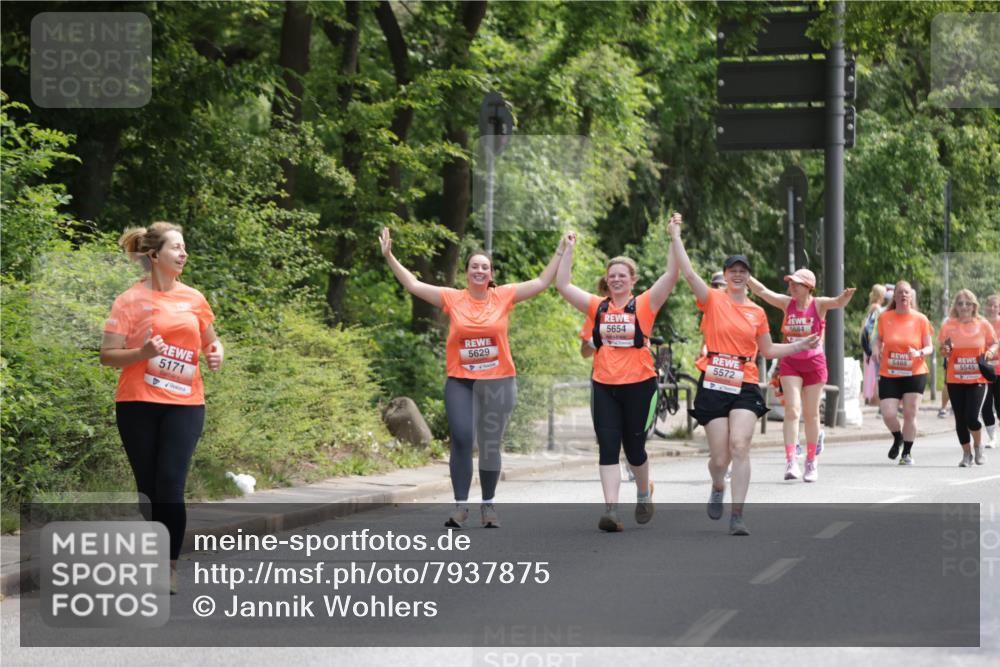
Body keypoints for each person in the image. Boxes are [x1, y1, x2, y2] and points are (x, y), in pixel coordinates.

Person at [379, 228, 567, 529]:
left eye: (485, 267)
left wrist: (560, 250)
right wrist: (390, 256)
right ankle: (461, 506)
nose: (479, 270)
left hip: (499, 382)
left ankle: (488, 505)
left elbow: (543, 282)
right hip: (461, 382)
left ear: (491, 273)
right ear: (466, 273)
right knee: (463, 439)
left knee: (490, 444)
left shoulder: (504, 296)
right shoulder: (453, 298)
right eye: (474, 266)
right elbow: (413, 284)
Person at [668, 218, 819, 536]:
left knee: (740, 445)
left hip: (745, 381)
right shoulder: (712, 299)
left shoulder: (757, 312)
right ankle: (717, 483)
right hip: (713, 379)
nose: (738, 274)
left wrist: (800, 344)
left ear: (748, 277)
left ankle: (737, 515)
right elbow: (689, 272)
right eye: (732, 270)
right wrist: (676, 235)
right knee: (720, 458)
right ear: (725, 276)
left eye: (743, 271)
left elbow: (767, 350)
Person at [100, 222, 224, 595]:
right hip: (137, 402)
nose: (183, 253)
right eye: (176, 248)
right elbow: (108, 356)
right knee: (149, 488)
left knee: (170, 484)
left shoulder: (195, 299)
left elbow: (211, 342)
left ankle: (167, 568)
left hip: (185, 404)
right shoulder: (128, 301)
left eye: (185, 247)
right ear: (154, 255)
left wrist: (216, 354)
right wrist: (142, 353)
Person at [555, 216, 679, 532]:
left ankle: (642, 492)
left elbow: (671, 274)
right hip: (604, 386)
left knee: (634, 449)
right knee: (608, 447)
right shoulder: (597, 306)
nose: (617, 280)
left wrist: (672, 236)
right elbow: (563, 285)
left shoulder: (646, 304)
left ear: (633, 279)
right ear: (607, 281)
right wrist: (566, 250)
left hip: (640, 385)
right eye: (612, 276)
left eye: (622, 275)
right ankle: (611, 509)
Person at [748, 270, 855, 483]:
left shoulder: (819, 304)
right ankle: (790, 461)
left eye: (796, 284)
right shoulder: (787, 304)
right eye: (790, 284)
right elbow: (762, 291)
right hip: (790, 362)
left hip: (814, 364)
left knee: (811, 414)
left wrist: (845, 297)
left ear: (808, 287)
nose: (792, 288)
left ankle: (811, 460)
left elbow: (837, 302)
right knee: (792, 410)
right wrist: (744, 273)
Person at [871, 280, 933, 465]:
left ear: (911, 297)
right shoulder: (885, 317)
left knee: (909, 413)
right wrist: (875, 350)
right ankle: (898, 437)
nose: (904, 295)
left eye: (907, 293)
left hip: (915, 372)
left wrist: (919, 352)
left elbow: (930, 347)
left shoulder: (921, 319)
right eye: (900, 293)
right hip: (890, 372)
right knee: (888, 413)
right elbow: (878, 340)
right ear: (895, 296)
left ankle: (906, 452)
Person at [940, 290, 999, 466]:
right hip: (955, 379)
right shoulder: (948, 325)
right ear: (955, 306)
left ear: (974, 306)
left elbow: (995, 342)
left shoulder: (982, 324)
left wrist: (990, 352)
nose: (964, 306)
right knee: (960, 419)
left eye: (968, 303)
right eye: (960, 303)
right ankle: (967, 454)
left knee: (972, 417)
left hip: (977, 379)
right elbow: (942, 350)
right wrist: (946, 351)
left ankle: (978, 445)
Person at [861, 284, 887, 407]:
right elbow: (875, 328)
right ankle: (874, 399)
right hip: (873, 344)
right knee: (875, 372)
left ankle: (869, 397)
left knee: (870, 371)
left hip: (868, 344)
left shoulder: (872, 307)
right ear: (881, 295)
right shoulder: (877, 308)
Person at [982, 294, 1000, 448]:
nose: (993, 309)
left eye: (996, 306)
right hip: (985, 372)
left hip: (999, 371)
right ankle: (992, 437)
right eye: (990, 305)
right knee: (986, 405)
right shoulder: (980, 324)